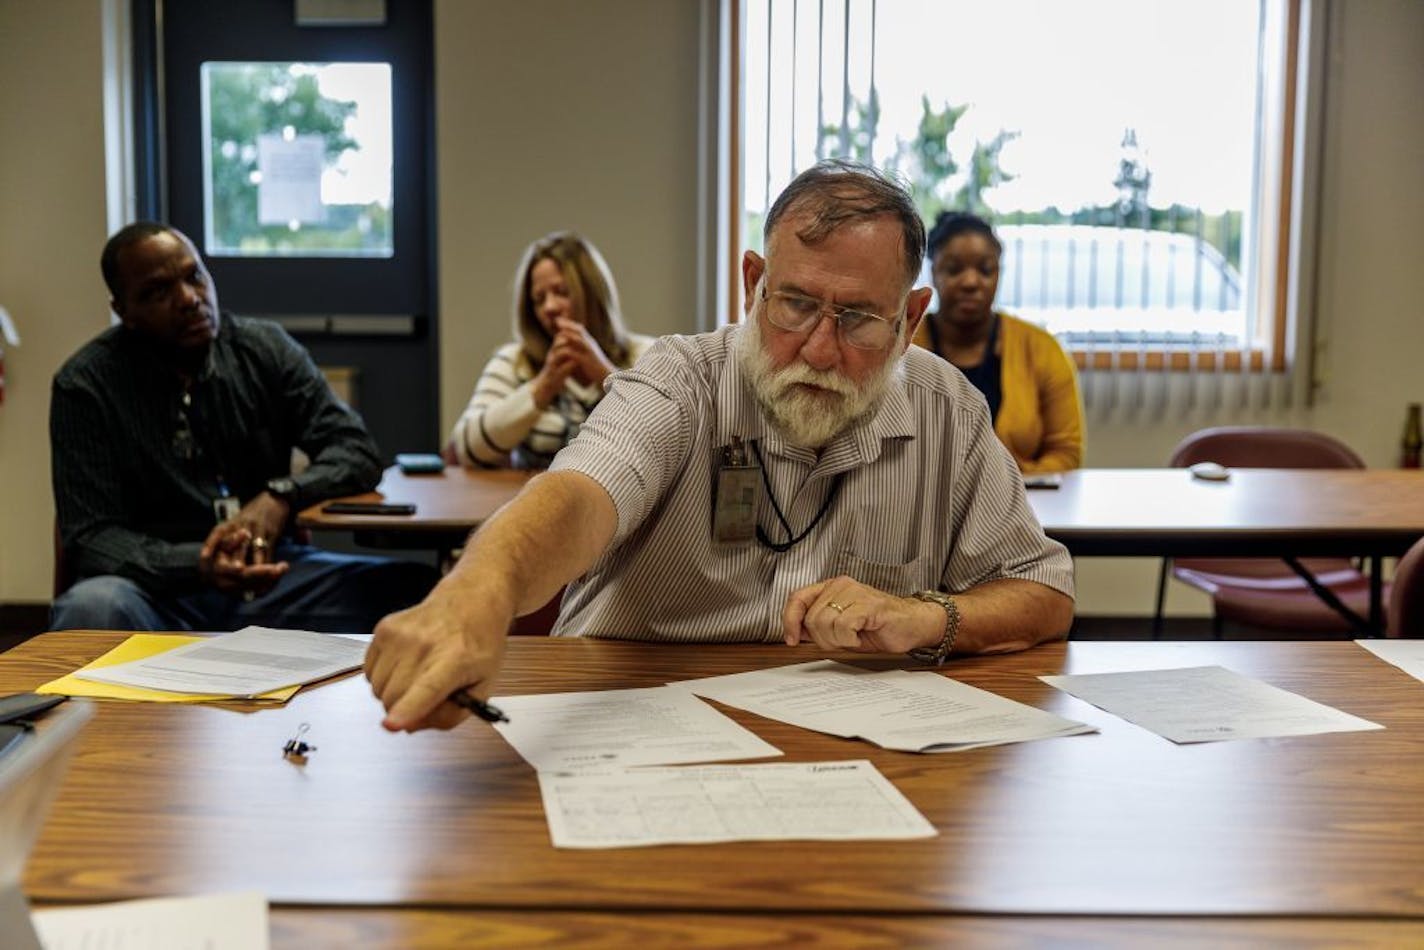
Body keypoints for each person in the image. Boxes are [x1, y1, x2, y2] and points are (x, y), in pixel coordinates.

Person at [366, 161, 1074, 732]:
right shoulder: (680, 380)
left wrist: (929, 616)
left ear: (911, 317)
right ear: (751, 284)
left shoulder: (948, 411)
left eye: (859, 319)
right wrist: (481, 590)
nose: (820, 351)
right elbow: (577, 496)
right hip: (626, 719)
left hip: (846, 742)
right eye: (794, 304)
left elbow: (1042, 591)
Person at [49, 222, 438, 633]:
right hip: (150, 591)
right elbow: (91, 536)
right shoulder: (86, 386)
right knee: (91, 609)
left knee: (422, 591)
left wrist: (279, 497)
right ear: (123, 310)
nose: (189, 299)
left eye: (194, 276)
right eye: (158, 292)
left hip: (270, 578)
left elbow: (355, 449)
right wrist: (197, 562)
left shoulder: (263, 349)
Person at [447, 232, 654, 469]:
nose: (550, 307)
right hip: (537, 500)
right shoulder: (515, 361)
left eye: (562, 292)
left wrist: (604, 374)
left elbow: (669, 438)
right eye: (538, 299)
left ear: (592, 294)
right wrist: (543, 386)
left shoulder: (646, 355)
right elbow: (467, 449)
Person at [913, 212, 1084, 473]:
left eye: (985, 269)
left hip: (1024, 505)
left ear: (998, 273)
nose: (971, 282)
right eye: (954, 269)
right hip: (920, 505)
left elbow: (1067, 453)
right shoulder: (901, 347)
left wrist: (1007, 485)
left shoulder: (1041, 348)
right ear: (933, 271)